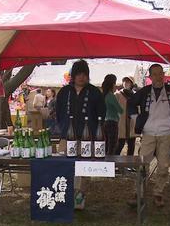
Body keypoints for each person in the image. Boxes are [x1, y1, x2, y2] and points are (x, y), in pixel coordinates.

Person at [128, 64, 170, 207]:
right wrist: (136, 118)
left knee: (163, 165)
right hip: (148, 133)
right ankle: (138, 192)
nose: (158, 76)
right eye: (155, 74)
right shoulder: (144, 91)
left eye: (160, 73)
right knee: (142, 163)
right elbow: (130, 103)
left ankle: (158, 192)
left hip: (167, 133)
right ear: (150, 76)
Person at [56, 60, 106, 209]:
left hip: (87, 137)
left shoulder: (95, 92)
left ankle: (79, 199)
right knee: (64, 166)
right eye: (78, 74)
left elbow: (101, 114)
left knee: (84, 168)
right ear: (73, 75)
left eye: (84, 74)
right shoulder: (64, 92)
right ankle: (63, 197)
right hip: (66, 136)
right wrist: (64, 127)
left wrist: (94, 131)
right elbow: (58, 113)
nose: (81, 77)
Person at [115, 77, 138, 155]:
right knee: (119, 145)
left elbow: (138, 108)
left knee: (131, 146)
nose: (126, 83)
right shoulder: (117, 94)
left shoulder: (135, 95)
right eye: (124, 81)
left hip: (132, 123)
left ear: (132, 83)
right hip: (121, 123)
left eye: (128, 81)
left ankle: (129, 166)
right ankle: (115, 164)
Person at [102, 74, 123, 155]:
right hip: (112, 123)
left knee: (106, 145)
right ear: (112, 84)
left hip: (104, 122)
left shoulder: (103, 95)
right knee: (112, 145)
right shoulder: (111, 96)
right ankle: (110, 163)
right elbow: (120, 110)